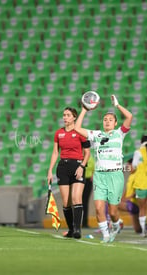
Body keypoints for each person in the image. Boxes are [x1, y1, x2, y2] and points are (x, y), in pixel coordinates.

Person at [74, 95, 133, 243]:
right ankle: (106, 236)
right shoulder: (96, 135)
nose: (107, 121)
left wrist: (117, 105)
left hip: (115, 176)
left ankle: (116, 223)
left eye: (110, 120)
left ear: (115, 123)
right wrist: (84, 110)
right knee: (99, 208)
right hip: (100, 175)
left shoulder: (120, 134)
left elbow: (130, 116)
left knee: (113, 212)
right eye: (105, 119)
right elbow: (77, 128)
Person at [47, 107, 91, 239]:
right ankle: (71, 229)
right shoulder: (58, 133)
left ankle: (78, 229)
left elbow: (87, 152)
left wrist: (82, 166)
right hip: (63, 167)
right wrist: (49, 171)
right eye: (64, 115)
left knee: (77, 198)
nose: (65, 117)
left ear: (74, 117)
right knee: (66, 202)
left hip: (78, 166)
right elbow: (55, 153)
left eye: (68, 115)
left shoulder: (81, 133)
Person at [82, 154, 95, 228]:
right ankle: (75, 222)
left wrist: (92, 175)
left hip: (88, 181)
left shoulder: (91, 158)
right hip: (80, 180)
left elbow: (94, 168)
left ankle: (84, 223)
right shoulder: (79, 155)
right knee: (77, 201)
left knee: (85, 202)